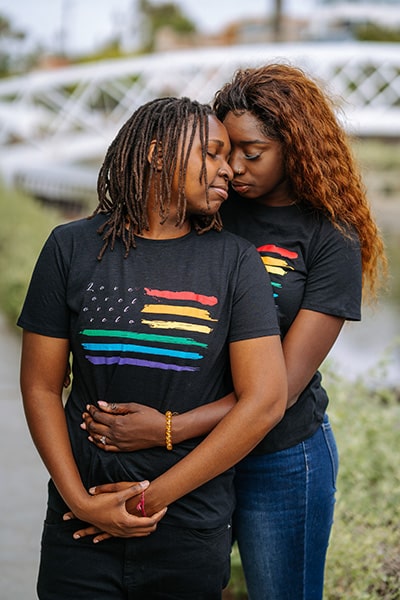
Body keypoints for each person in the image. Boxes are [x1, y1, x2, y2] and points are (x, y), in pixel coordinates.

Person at [79, 65, 387, 599]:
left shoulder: (331, 239)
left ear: (296, 147)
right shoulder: (213, 210)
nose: (233, 168)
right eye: (222, 152)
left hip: (280, 456)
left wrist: (167, 428)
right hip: (189, 462)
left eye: (252, 152)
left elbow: (281, 390)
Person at [18, 96, 287, 600]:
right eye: (212, 152)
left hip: (188, 530)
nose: (228, 169)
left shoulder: (235, 262)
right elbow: (39, 384)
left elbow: (265, 401)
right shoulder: (70, 248)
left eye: (230, 156)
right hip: (79, 528)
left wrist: (144, 504)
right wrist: (79, 500)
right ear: (158, 153)